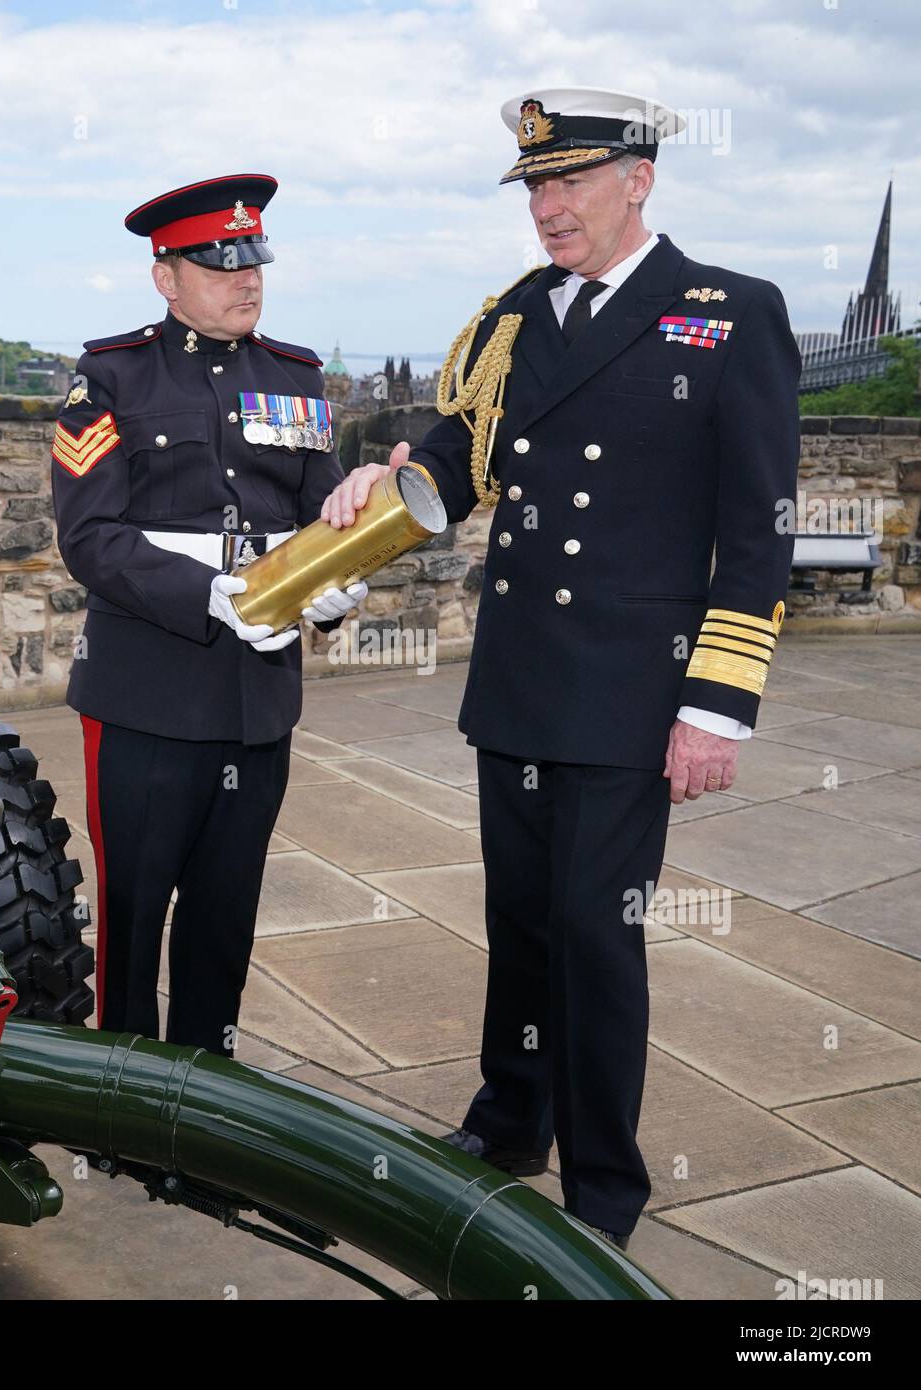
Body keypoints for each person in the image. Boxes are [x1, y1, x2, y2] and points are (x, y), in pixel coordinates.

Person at [320, 89, 801, 1250]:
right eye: (534, 188)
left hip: (637, 687)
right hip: (524, 674)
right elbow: (460, 456)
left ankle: (600, 1188)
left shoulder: (728, 313)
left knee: (595, 927)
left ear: (637, 179)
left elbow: (758, 529)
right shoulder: (517, 317)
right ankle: (505, 1123)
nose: (547, 208)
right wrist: (379, 487)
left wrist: (716, 707)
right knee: (523, 919)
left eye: (570, 182)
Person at [50, 173, 366, 1053]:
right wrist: (210, 591)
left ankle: (204, 1081)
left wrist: (337, 585)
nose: (247, 280)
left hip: (256, 695)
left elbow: (323, 514)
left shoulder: (296, 379)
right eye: (220, 264)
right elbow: (91, 538)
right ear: (166, 277)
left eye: (254, 260)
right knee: (133, 912)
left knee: (226, 913)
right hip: (149, 690)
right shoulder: (110, 377)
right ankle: (122, 1092)